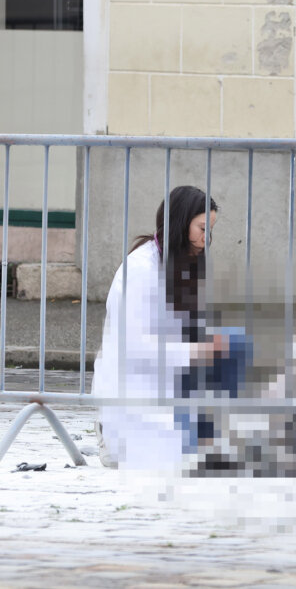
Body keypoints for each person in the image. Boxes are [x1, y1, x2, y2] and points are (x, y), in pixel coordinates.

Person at [92, 186, 232, 469]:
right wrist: (197, 351)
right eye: (202, 228)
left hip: (168, 382)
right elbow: (134, 347)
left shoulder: (182, 263)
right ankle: (113, 433)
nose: (207, 239)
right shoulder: (141, 270)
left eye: (211, 230)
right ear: (180, 224)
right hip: (135, 388)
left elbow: (189, 327)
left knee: (236, 345)